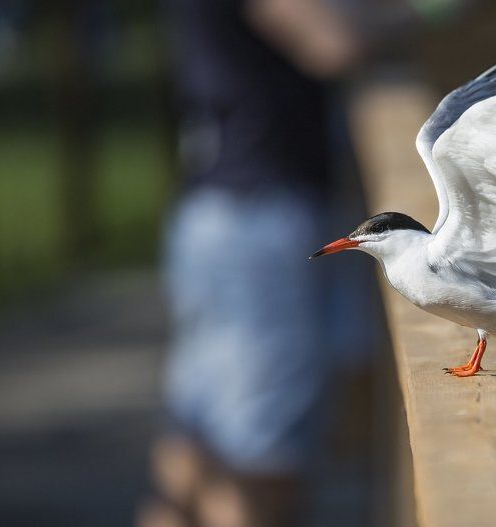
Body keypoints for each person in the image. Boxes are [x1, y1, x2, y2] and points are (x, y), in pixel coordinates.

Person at [137, 1, 428, 526]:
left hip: (215, 211)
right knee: (260, 472)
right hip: (260, 226)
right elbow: (332, 42)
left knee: (192, 449)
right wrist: (417, 11)